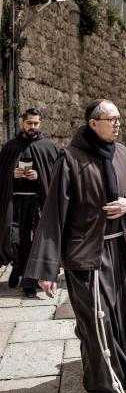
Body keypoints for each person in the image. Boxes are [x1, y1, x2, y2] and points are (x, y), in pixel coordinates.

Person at [24, 99, 126, 393]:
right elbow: (54, 215)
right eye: (111, 119)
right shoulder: (68, 159)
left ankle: (115, 370)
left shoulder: (124, 154)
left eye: (119, 118)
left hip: (120, 251)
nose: (118, 123)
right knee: (96, 319)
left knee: (118, 312)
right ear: (93, 123)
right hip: (86, 257)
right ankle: (102, 385)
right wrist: (47, 269)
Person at [0, 108, 58, 297]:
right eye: (29, 123)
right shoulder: (11, 147)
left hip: (36, 204)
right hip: (15, 203)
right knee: (14, 239)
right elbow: (1, 174)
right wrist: (12, 175)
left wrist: (39, 176)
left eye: (36, 123)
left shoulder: (47, 147)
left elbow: (55, 176)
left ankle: (29, 282)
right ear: (22, 123)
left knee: (33, 242)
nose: (33, 127)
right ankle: (17, 268)